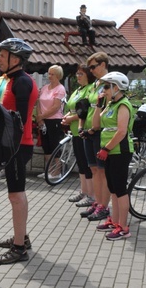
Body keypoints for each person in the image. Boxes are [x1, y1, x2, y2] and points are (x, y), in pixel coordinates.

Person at [0, 37, 39, 265]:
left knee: (16, 195)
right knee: (16, 195)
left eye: (2, 55)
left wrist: (9, 150)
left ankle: (19, 247)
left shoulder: (21, 82)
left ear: (15, 58)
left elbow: (19, 121)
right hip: (15, 145)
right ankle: (23, 236)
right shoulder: (13, 80)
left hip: (18, 146)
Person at [93, 72, 135, 240]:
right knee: (113, 189)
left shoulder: (123, 105)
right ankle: (115, 221)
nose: (104, 90)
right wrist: (98, 105)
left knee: (120, 189)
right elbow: (96, 124)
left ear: (116, 87)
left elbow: (122, 131)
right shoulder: (110, 105)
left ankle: (123, 227)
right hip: (110, 151)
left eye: (106, 87)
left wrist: (106, 149)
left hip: (119, 152)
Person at [79, 51, 111, 222]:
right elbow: (85, 107)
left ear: (103, 65)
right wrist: (82, 127)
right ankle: (97, 202)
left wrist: (94, 128)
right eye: (89, 67)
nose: (91, 70)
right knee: (93, 169)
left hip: (100, 132)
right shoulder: (94, 84)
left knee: (102, 171)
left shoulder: (109, 83)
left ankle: (104, 206)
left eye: (93, 67)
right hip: (89, 131)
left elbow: (106, 107)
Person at [62, 64, 96, 206]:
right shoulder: (78, 90)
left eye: (81, 74)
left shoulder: (90, 89)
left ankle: (91, 195)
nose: (78, 76)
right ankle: (83, 191)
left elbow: (85, 111)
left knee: (88, 165)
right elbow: (73, 107)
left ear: (88, 75)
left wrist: (71, 118)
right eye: (77, 74)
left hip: (85, 131)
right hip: (76, 132)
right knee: (81, 164)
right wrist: (67, 116)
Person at [35, 65, 66, 179]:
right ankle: (49, 170)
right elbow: (39, 102)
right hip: (43, 120)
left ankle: (57, 171)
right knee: (46, 145)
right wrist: (40, 118)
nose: (49, 76)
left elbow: (56, 107)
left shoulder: (60, 89)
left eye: (52, 74)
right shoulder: (44, 88)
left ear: (58, 75)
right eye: (49, 73)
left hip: (54, 120)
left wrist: (42, 116)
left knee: (54, 145)